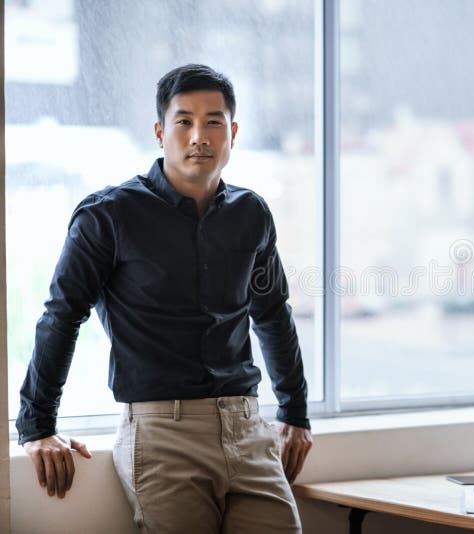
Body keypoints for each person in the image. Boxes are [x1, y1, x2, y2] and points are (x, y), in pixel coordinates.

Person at [16, 64, 312, 533]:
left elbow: (272, 314)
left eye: (214, 122)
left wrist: (296, 412)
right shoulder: (108, 215)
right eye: (184, 121)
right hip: (162, 435)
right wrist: (36, 426)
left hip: (247, 427)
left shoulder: (251, 213)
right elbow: (62, 315)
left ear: (232, 132)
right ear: (160, 132)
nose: (200, 135)